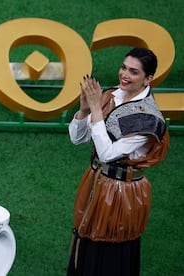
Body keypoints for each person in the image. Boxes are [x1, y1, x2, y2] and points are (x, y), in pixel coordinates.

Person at [66, 47, 170, 275]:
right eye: (124, 67)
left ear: (148, 79)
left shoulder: (148, 118)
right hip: (96, 181)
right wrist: (84, 111)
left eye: (134, 72)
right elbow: (78, 138)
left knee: (111, 250)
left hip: (122, 194)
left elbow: (107, 153)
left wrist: (95, 108)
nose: (124, 74)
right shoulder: (111, 95)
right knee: (85, 241)